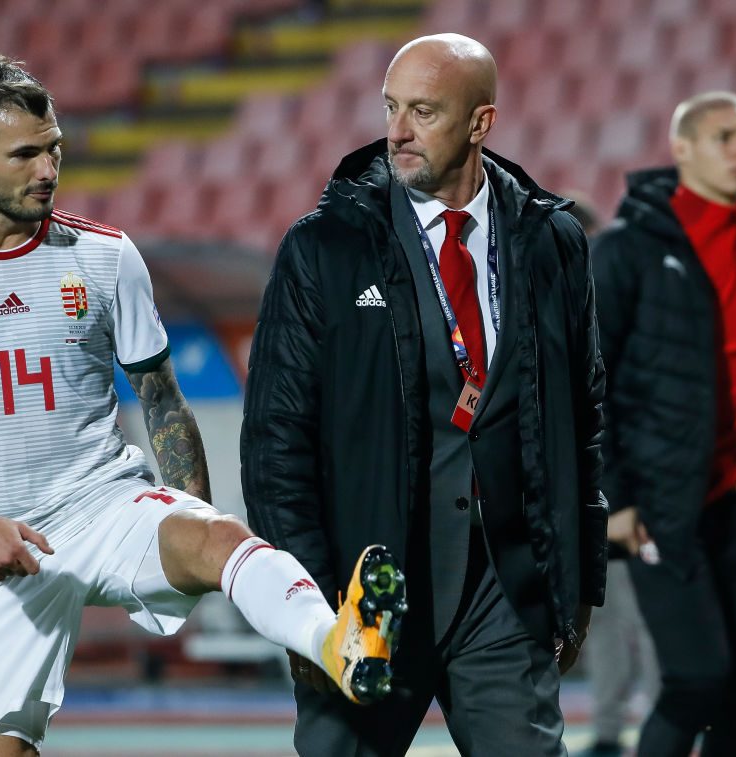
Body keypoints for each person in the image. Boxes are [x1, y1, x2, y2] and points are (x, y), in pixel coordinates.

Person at [0, 57, 406, 756]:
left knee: (222, 537)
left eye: (54, 148)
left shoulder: (105, 256)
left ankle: (340, 644)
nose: (48, 169)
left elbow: (161, 398)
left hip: (103, 503)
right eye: (25, 154)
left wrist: (195, 517)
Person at [241, 34, 607, 756]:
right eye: (390, 107)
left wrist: (576, 585)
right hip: (363, 594)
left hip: (504, 595)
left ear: (481, 123)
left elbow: (586, 419)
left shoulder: (552, 241)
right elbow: (276, 441)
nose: (397, 132)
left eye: (423, 112)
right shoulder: (325, 247)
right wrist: (305, 607)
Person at [591, 91, 736, 757]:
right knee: (696, 678)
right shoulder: (624, 253)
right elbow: (584, 383)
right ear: (681, 147)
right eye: (725, 137)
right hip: (662, 508)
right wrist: (615, 497)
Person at [566, 196, 659, 757]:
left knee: (638, 619)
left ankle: (651, 725)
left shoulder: (606, 308)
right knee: (614, 619)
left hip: (622, 490)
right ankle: (620, 729)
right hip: (603, 490)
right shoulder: (581, 309)